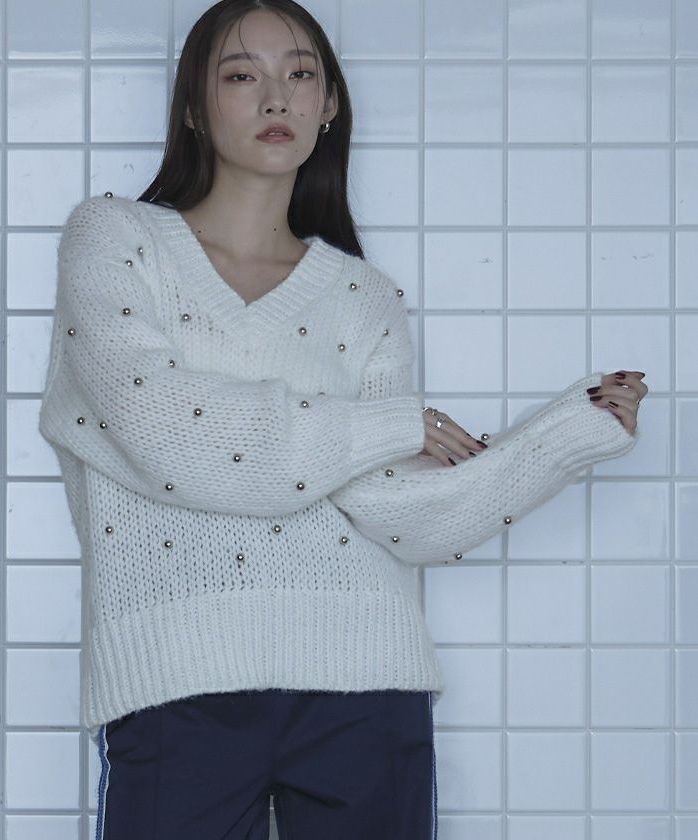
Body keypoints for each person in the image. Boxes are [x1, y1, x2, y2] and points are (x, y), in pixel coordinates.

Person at [38, 1, 647, 837]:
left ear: (329, 104)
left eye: (300, 74)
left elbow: (400, 515)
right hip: (173, 685)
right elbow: (167, 433)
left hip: (368, 689)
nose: (276, 97)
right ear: (193, 107)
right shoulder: (113, 239)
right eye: (241, 75)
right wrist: (391, 425)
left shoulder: (365, 297)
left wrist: (564, 437)